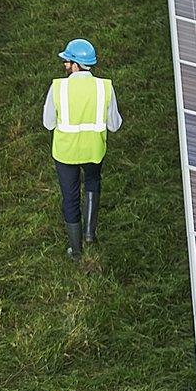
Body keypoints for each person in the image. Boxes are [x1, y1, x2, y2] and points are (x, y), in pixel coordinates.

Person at [43, 39, 122, 260]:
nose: (65, 65)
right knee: (92, 182)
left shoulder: (58, 87)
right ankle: (89, 233)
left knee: (70, 197)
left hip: (65, 153)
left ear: (76, 64)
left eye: (67, 61)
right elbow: (114, 125)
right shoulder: (104, 87)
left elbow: (48, 123)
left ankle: (76, 251)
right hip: (94, 151)